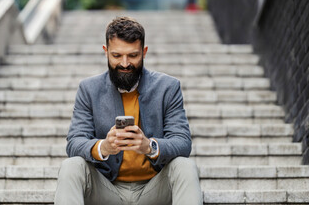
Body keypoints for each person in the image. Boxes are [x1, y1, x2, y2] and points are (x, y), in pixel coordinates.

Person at [54, 17, 203, 205]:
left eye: (133, 55)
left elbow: (182, 142)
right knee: (71, 166)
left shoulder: (168, 87)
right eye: (117, 56)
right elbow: (75, 142)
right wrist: (104, 147)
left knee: (185, 166)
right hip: (106, 189)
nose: (125, 63)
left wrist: (149, 146)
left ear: (144, 52)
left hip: (155, 189)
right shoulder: (88, 89)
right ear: (105, 51)